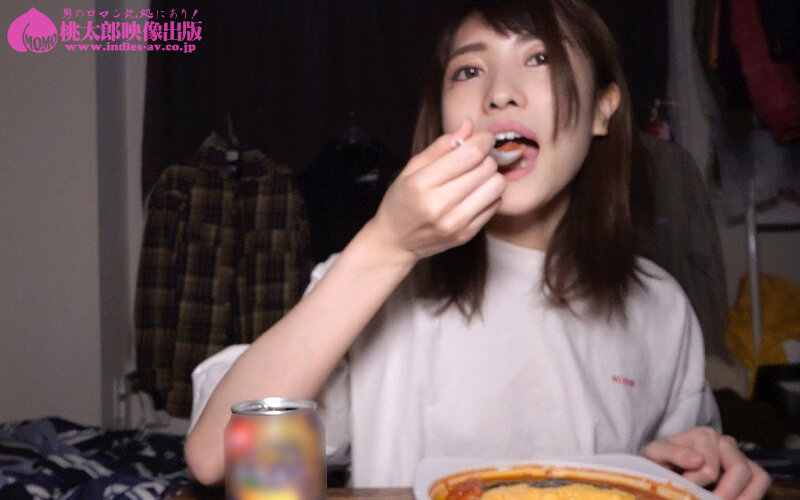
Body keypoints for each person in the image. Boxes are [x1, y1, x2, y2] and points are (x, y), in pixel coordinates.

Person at [184, 1, 771, 498]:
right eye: (468, 70)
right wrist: (387, 245)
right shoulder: (373, 284)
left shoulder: (661, 308)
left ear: (601, 109)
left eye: (540, 59)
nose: (500, 94)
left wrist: (696, 466)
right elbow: (218, 458)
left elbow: (678, 470)